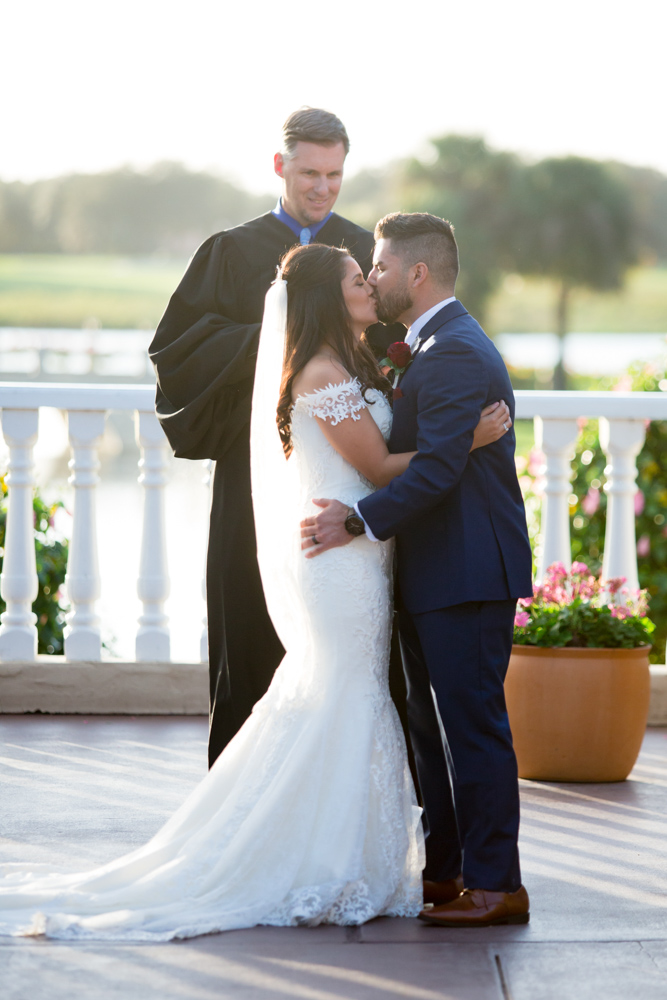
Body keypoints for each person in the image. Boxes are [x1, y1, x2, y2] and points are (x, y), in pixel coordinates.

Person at [0, 243, 508, 940]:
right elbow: (380, 464)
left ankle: (342, 856)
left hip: (360, 555)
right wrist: (466, 443)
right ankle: (318, 861)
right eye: (358, 279)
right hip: (340, 554)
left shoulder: (353, 364)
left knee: (347, 697)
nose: (369, 283)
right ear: (329, 298)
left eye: (373, 273)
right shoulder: (323, 374)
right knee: (345, 697)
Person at [149, 107, 404, 768]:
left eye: (334, 175)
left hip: (341, 483)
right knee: (248, 630)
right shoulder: (232, 252)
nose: (321, 187)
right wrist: (279, 340)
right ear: (279, 166)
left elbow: (395, 349)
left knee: (349, 659)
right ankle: (236, 803)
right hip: (253, 473)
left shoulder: (361, 255)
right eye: (309, 172)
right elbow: (176, 354)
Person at [300, 214, 535, 928]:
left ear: (416, 274)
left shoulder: (455, 351)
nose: (373, 277)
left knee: (473, 729)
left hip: (464, 572)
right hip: (431, 570)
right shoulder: (429, 345)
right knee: (431, 734)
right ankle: (448, 870)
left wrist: (355, 520)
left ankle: (497, 886)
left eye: (378, 266)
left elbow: (436, 468)